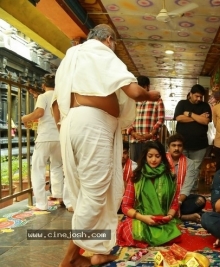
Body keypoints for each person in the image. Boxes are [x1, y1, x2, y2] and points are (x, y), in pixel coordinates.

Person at [52, 24, 160, 267]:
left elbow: (57, 103)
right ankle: (69, 259)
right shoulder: (100, 52)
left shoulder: (72, 56)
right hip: (92, 125)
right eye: (115, 44)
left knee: (91, 191)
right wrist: (149, 96)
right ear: (109, 39)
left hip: (72, 123)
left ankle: (97, 251)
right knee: (96, 192)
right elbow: (133, 91)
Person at [117, 141, 181, 247]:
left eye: (157, 156)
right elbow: (125, 206)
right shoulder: (136, 176)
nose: (154, 160)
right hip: (142, 219)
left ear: (162, 157)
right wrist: (143, 218)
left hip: (163, 221)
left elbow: (174, 202)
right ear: (145, 157)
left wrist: (169, 216)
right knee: (129, 233)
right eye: (150, 156)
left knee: (175, 235)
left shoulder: (170, 176)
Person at [21, 74, 64, 211]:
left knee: (38, 169)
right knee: (57, 166)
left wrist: (25, 118)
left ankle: (41, 204)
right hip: (59, 136)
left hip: (45, 136)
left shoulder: (42, 97)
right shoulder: (60, 96)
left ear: (43, 85)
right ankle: (59, 195)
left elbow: (40, 112)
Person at [173, 84, 212, 190]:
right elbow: (179, 118)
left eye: (201, 97)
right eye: (196, 96)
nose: (199, 99)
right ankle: (179, 190)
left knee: (194, 169)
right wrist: (199, 117)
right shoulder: (182, 104)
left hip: (200, 145)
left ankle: (191, 191)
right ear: (190, 94)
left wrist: (190, 114)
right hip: (182, 144)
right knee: (182, 167)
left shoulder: (205, 106)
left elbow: (205, 121)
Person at [166, 134, 206, 223]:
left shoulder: (190, 163)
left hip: (181, 198)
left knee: (200, 200)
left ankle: (174, 214)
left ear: (183, 148)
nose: (176, 148)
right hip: (163, 197)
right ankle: (183, 216)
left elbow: (187, 187)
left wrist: (178, 203)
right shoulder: (162, 161)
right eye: (173, 145)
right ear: (168, 147)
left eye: (179, 146)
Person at [126, 76, 165, 162]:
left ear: (147, 87)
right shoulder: (132, 101)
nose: (140, 91)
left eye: (142, 87)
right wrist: (133, 133)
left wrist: (151, 134)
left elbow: (161, 120)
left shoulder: (157, 100)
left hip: (151, 141)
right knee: (135, 167)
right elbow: (128, 119)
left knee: (150, 167)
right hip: (134, 141)